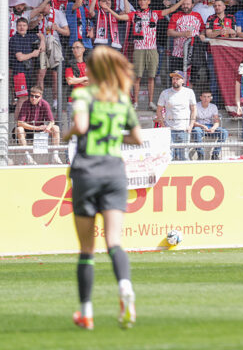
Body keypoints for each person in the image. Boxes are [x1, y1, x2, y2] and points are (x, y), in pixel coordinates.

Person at [68, 46, 141, 330]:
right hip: (114, 173)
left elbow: (82, 127)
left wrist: (68, 132)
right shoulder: (121, 98)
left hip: (87, 172)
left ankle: (86, 312)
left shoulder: (83, 95)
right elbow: (136, 138)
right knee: (114, 242)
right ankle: (125, 287)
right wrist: (112, 135)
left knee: (87, 249)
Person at [157, 71, 197, 161]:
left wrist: (190, 126)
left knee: (184, 156)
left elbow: (194, 110)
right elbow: (159, 110)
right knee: (168, 156)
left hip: (184, 129)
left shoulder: (189, 92)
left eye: (177, 79)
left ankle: (186, 175)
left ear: (183, 81)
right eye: (173, 79)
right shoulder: (165, 93)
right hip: (169, 129)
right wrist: (163, 125)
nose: (175, 81)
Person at [15, 86, 62, 156]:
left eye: (36, 96)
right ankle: (27, 156)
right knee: (19, 129)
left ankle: (55, 156)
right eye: (31, 96)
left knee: (56, 128)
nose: (33, 98)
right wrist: (36, 128)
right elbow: (20, 123)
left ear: (41, 97)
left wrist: (48, 128)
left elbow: (52, 121)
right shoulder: (25, 103)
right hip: (27, 130)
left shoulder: (45, 104)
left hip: (40, 130)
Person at [191, 90, 228, 160]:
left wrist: (213, 128)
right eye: (204, 97)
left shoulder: (213, 107)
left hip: (210, 126)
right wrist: (202, 126)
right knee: (196, 131)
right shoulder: (195, 106)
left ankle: (215, 154)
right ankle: (201, 155)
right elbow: (193, 121)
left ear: (211, 98)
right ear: (200, 97)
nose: (206, 99)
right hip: (199, 126)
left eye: (208, 97)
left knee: (224, 132)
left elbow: (216, 121)